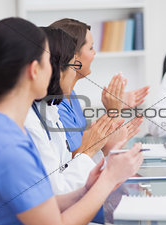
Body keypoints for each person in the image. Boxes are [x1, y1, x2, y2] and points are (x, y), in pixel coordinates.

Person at [0, 17, 143, 225]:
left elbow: (41, 203)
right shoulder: (7, 145)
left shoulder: (6, 130)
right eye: (49, 63)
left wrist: (86, 189)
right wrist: (109, 180)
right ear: (34, 70)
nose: (54, 70)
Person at [25, 27, 142, 194]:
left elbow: (68, 165)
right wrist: (94, 150)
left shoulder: (54, 109)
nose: (76, 72)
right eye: (74, 65)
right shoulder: (33, 121)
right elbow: (59, 190)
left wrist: (99, 143)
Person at [50, 18, 149, 157]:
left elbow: (86, 144)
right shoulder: (57, 103)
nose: (94, 53)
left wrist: (114, 109)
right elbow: (76, 157)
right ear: (73, 56)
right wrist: (113, 110)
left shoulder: (70, 93)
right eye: (90, 48)